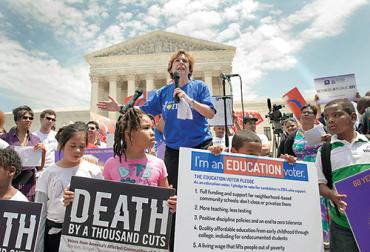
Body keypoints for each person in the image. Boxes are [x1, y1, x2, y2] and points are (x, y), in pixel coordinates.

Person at [97, 49, 216, 190]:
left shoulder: (200, 87)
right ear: (171, 69)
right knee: (174, 193)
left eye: (185, 61)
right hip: (174, 151)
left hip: (200, 146)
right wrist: (119, 107)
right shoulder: (164, 92)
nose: (181, 63)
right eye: (177, 61)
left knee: (202, 190)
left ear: (190, 69)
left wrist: (189, 100)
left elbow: (210, 113)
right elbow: (142, 110)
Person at [35, 123, 103, 252]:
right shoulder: (48, 173)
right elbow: (40, 211)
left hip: (83, 236)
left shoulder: (93, 171)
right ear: (62, 145)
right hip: (54, 235)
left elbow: (102, 204)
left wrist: (82, 202)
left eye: (81, 147)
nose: (77, 150)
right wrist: (39, 246)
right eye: (72, 146)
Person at [316, 98, 370, 252]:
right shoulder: (325, 151)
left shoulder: (368, 144)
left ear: (353, 117)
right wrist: (331, 194)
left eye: (336, 115)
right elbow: (319, 184)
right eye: (326, 117)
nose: (330, 120)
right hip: (342, 225)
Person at [283, 104, 330, 247]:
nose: (307, 114)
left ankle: (325, 239)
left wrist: (329, 141)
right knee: (304, 205)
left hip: (319, 173)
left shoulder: (323, 132)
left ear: (315, 116)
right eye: (304, 112)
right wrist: (289, 159)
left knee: (321, 205)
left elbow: (331, 152)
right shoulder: (292, 136)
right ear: (300, 115)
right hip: (300, 175)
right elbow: (284, 155)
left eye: (310, 112)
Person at [1, 105, 45, 201]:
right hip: (10, 185)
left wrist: (43, 153)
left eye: (31, 118)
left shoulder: (36, 140)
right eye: (25, 117)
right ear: (17, 120)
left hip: (29, 186)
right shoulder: (5, 139)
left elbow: (39, 168)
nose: (28, 120)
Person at [208, 129, 296, 163]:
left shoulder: (262, 168)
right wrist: (212, 154)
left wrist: (286, 164)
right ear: (234, 151)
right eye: (250, 154)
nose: (256, 158)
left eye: (258, 154)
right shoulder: (222, 164)